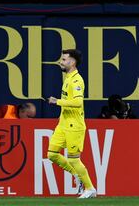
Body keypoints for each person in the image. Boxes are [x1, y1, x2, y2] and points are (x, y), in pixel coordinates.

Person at [47, 49, 96, 199]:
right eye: (61, 59)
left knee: (74, 159)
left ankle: (90, 189)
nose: (60, 62)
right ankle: (77, 174)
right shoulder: (68, 78)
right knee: (52, 154)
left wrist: (57, 101)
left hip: (74, 125)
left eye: (64, 60)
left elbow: (78, 102)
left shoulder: (76, 80)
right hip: (63, 124)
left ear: (72, 62)